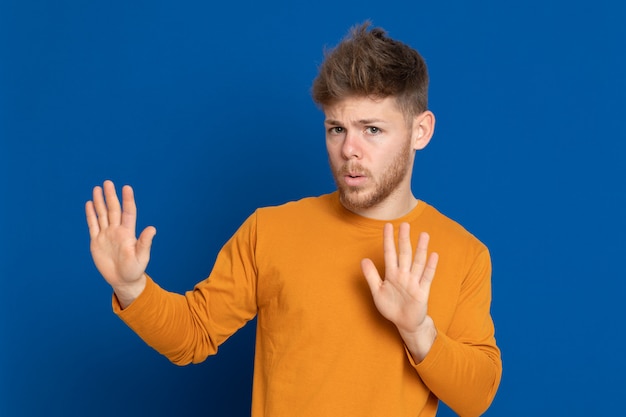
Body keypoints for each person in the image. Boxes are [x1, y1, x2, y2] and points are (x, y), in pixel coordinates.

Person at [86, 22, 502, 417]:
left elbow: (476, 397)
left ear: (420, 131)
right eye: (336, 129)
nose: (349, 150)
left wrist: (418, 331)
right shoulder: (270, 230)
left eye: (372, 130)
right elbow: (192, 335)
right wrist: (131, 286)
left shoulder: (463, 254)